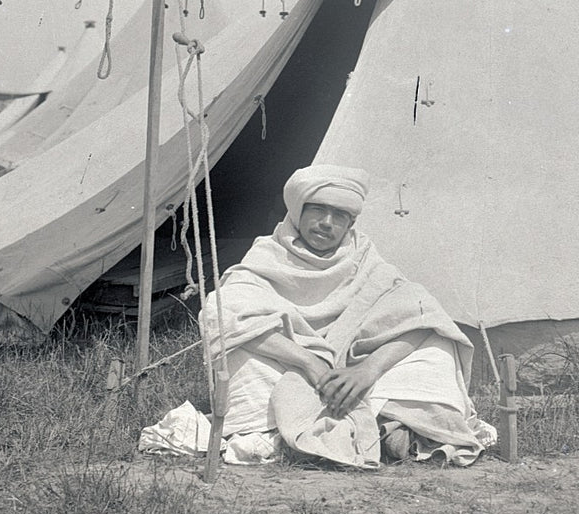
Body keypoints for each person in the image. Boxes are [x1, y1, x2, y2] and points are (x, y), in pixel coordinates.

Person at [199, 164, 496, 468]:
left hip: (355, 372)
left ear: (351, 222)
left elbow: (423, 313)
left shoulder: (364, 259)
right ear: (298, 212)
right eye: (318, 210)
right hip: (290, 366)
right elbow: (222, 314)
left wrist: (368, 370)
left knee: (437, 345)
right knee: (238, 350)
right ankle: (368, 428)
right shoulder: (267, 256)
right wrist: (308, 362)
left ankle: (382, 422)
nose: (327, 223)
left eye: (339, 215)